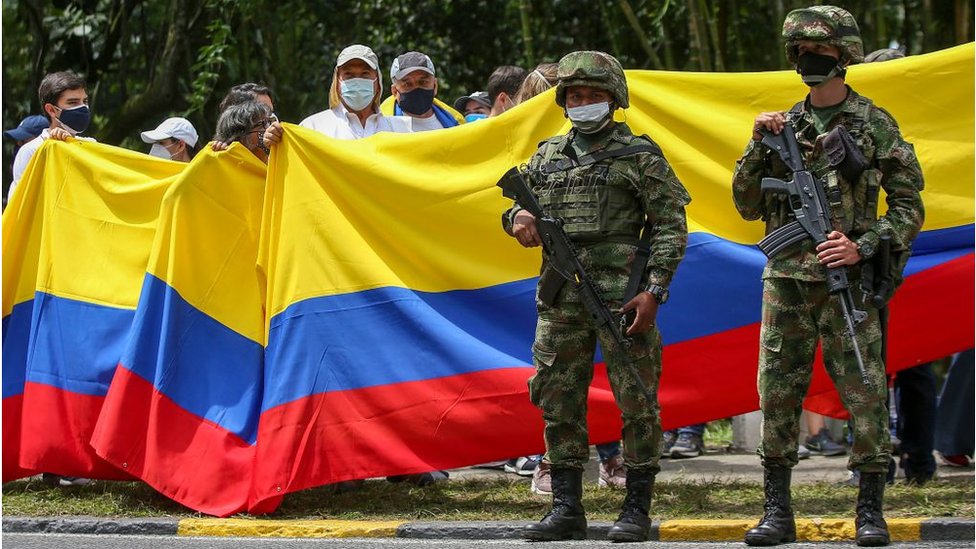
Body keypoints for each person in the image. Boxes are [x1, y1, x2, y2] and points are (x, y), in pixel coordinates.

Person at [732, 6, 924, 547]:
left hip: (850, 283)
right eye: (800, 52)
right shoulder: (782, 126)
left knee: (864, 389)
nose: (808, 60)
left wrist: (861, 246)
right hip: (787, 280)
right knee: (776, 393)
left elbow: (909, 206)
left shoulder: (873, 123)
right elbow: (747, 206)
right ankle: (776, 510)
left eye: (819, 52)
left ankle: (870, 511)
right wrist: (755, 145)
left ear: (844, 56)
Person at [503, 50, 689, 542]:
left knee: (638, 402)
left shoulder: (640, 156)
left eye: (596, 95)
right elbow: (516, 213)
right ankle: (567, 507)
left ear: (615, 99)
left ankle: (636, 510)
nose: (585, 103)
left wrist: (654, 292)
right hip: (560, 298)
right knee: (557, 398)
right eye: (576, 96)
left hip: (623, 302)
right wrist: (516, 221)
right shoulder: (547, 156)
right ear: (564, 101)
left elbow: (670, 228)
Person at [263, 44, 409, 145]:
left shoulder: (402, 130)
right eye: (349, 74)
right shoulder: (312, 128)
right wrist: (275, 144)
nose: (357, 80)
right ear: (337, 81)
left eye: (365, 74)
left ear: (377, 81)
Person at [8, 71, 95, 202]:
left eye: (85, 101)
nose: (82, 107)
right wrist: (55, 149)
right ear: (51, 110)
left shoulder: (91, 145)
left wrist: (71, 145)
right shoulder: (32, 151)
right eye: (73, 102)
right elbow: (22, 204)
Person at [384, 51, 463, 131]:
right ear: (394, 91)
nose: (416, 88)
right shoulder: (381, 127)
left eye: (423, 82)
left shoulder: (458, 124)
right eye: (408, 84)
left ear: (435, 86)